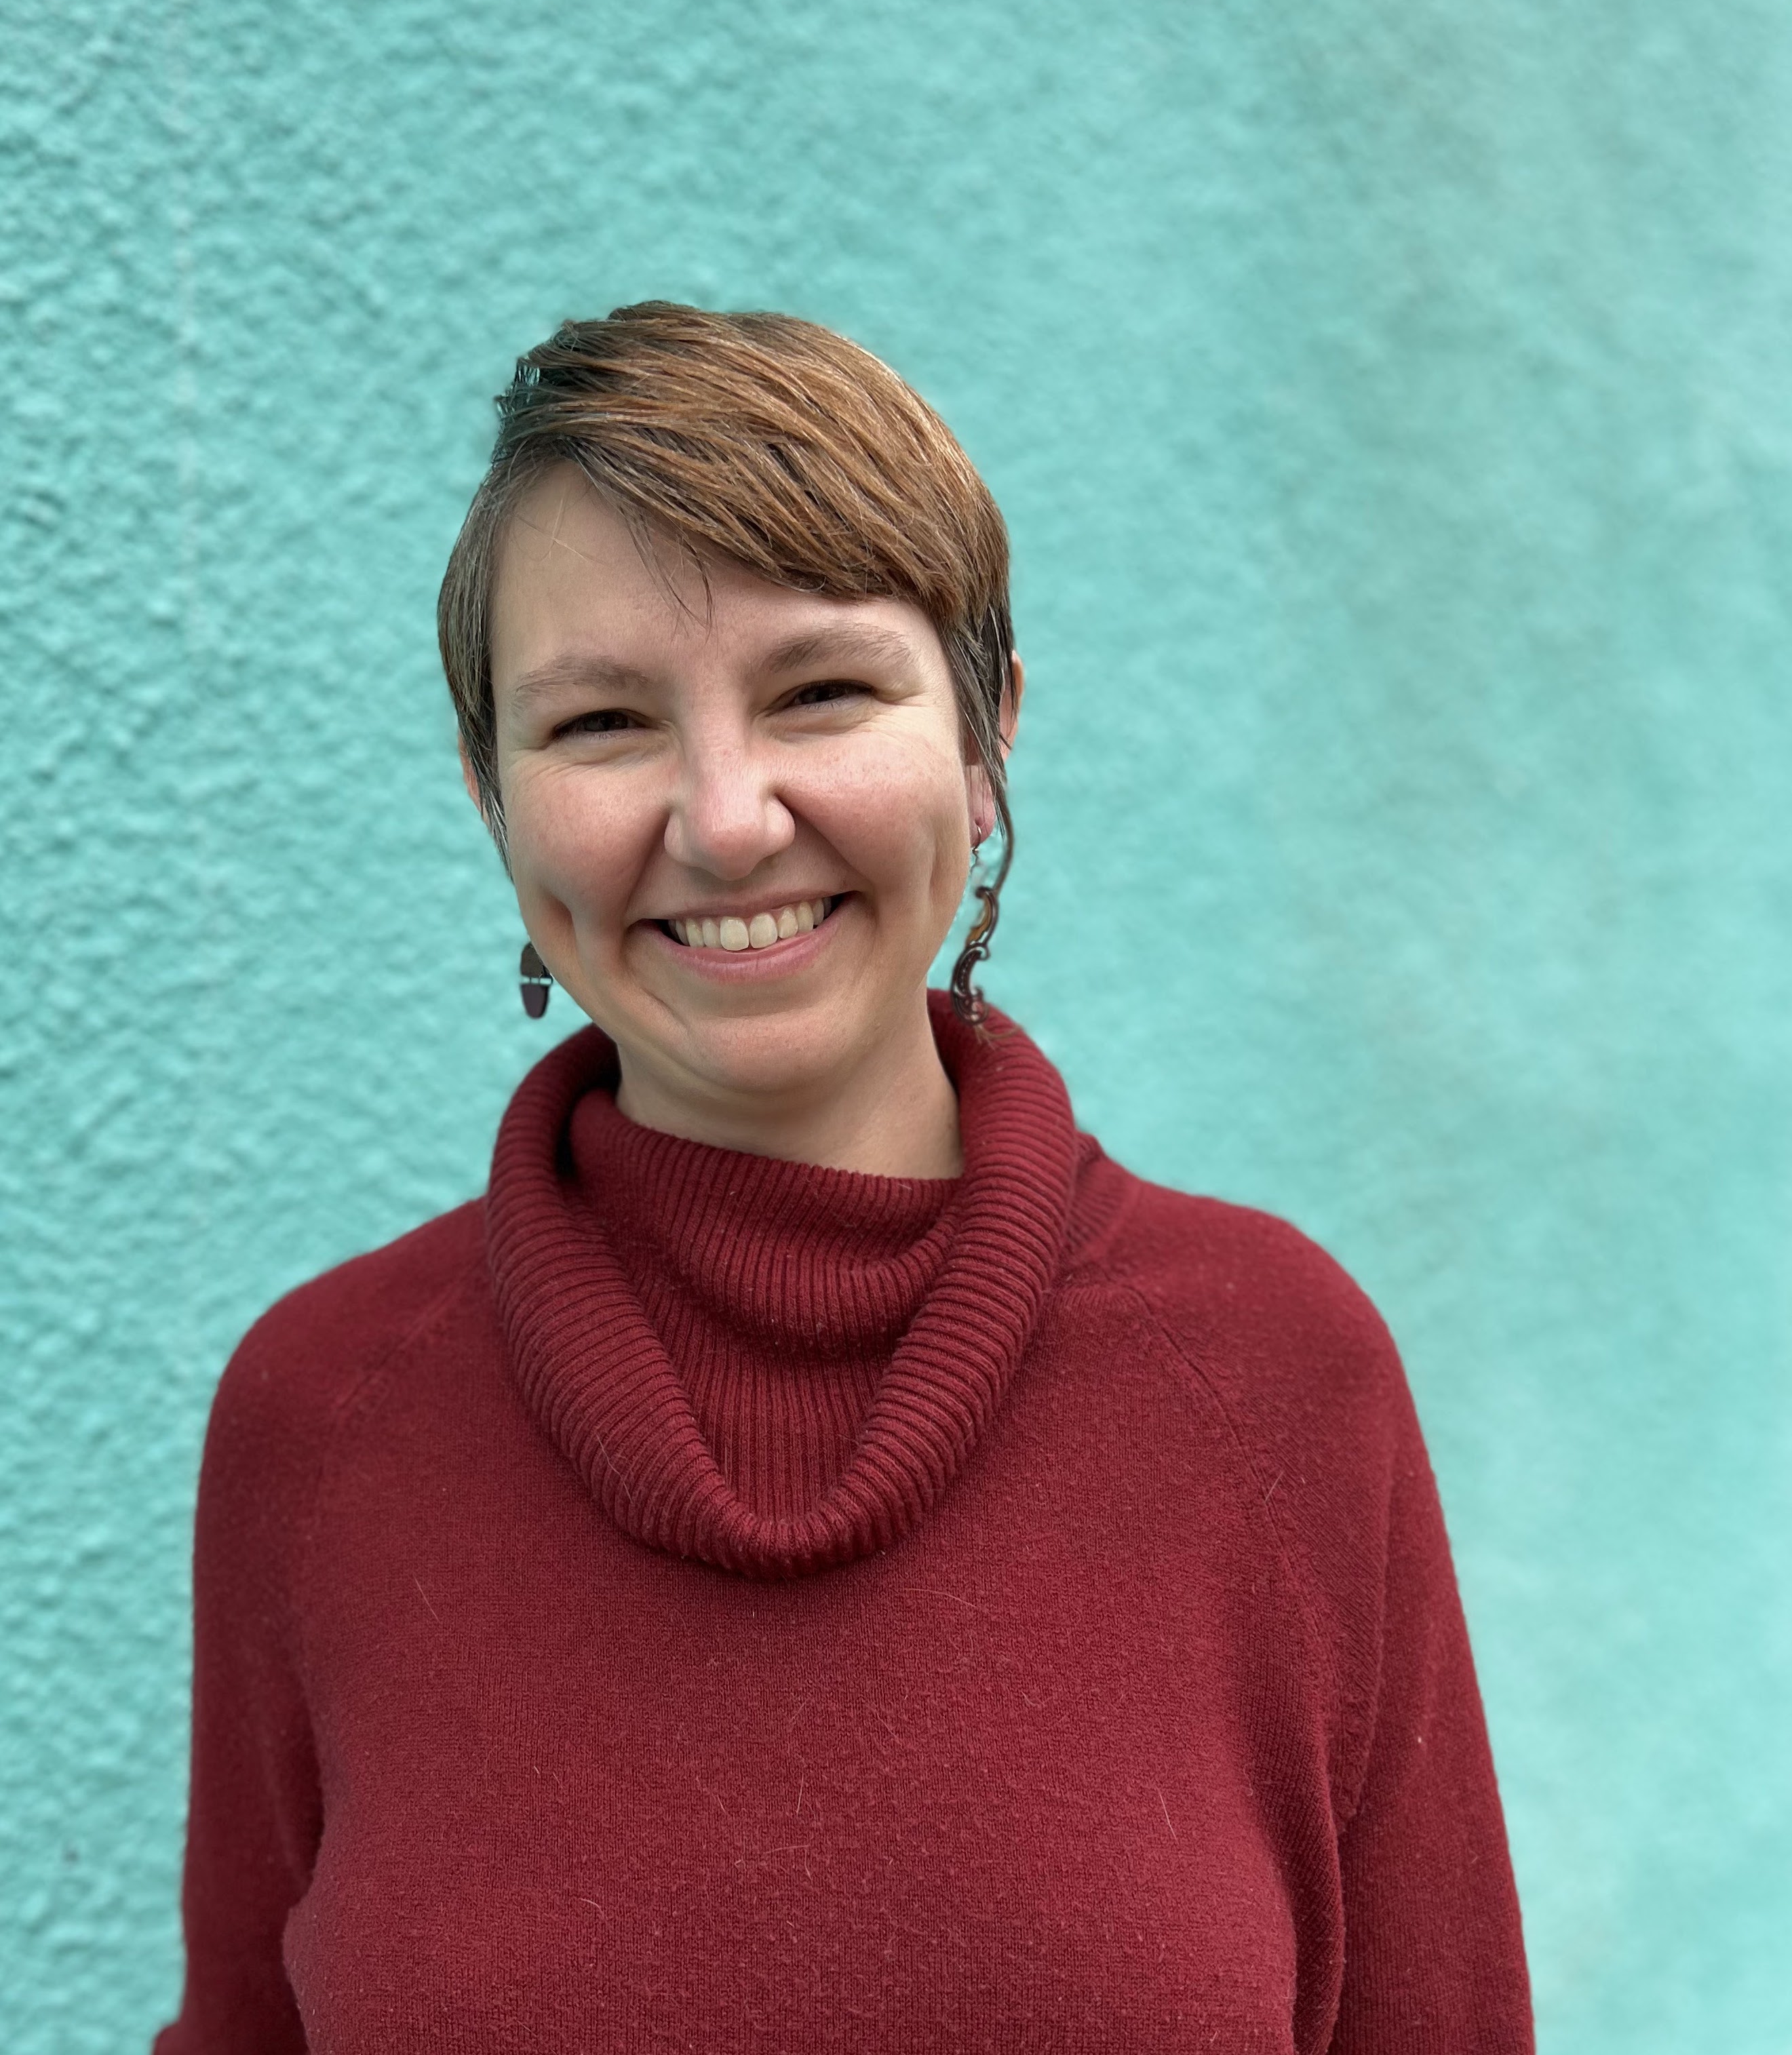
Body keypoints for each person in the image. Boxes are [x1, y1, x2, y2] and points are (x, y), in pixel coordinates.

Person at [155, 303, 1532, 2053]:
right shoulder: (324, 1416)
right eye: (599, 727)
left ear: (988, 729)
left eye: (821, 690)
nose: (726, 820)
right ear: (489, 795)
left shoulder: (1274, 1377)